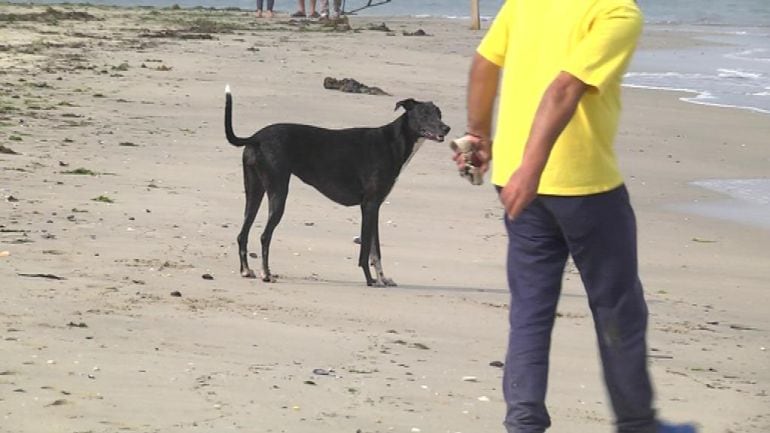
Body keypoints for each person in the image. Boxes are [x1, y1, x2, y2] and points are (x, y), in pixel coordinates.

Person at [454, 1, 698, 433]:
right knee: (617, 307)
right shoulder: (617, 13)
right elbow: (565, 87)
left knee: (530, 308)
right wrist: (533, 168)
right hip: (582, 185)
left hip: (514, 180)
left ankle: (524, 424)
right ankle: (638, 423)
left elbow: (485, 63)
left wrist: (478, 133)